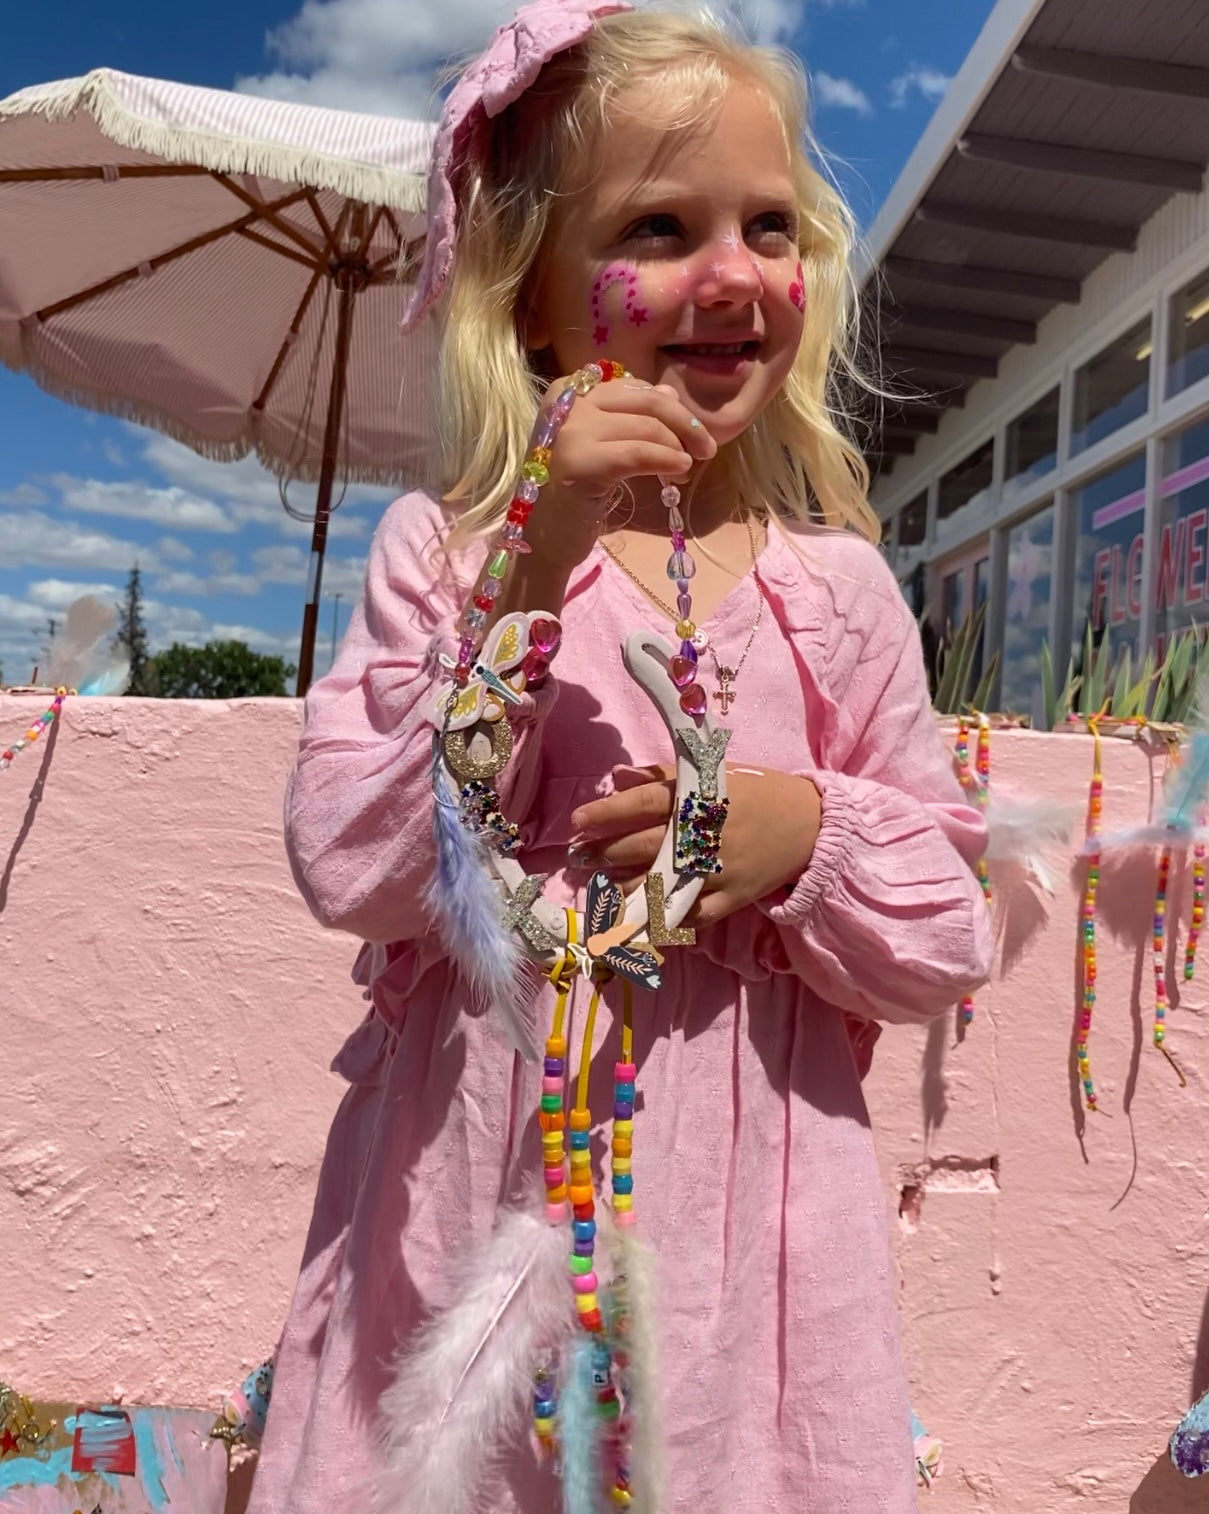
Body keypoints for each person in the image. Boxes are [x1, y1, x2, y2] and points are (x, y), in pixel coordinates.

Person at [248, 2, 993, 1511]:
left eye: (768, 226)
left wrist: (799, 831)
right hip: (477, 1204)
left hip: (756, 1255)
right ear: (532, 304)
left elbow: (946, 928)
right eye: (659, 226)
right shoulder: (440, 554)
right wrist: (532, 562)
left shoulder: (834, 594)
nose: (732, 275)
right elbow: (357, 859)